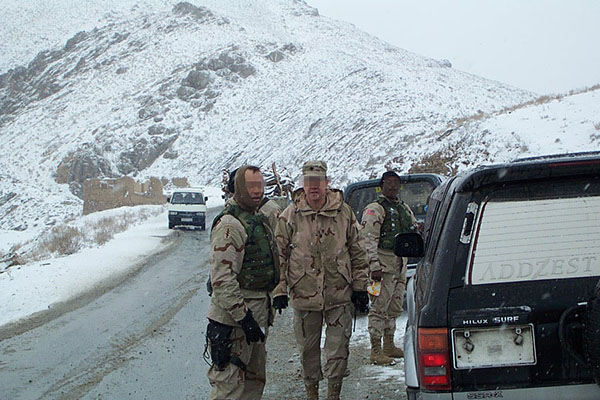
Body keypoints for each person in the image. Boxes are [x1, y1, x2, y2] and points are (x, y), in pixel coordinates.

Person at [272, 160, 369, 400]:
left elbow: (358, 250)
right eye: (308, 182)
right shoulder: (291, 215)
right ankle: (312, 394)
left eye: (318, 182)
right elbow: (279, 253)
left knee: (338, 351)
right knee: (308, 351)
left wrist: (360, 287)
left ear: (326, 183)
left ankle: (333, 394)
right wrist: (279, 289)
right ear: (303, 185)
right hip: (304, 295)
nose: (313, 187)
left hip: (339, 294)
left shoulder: (343, 212)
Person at [205, 165, 280, 400]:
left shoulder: (257, 218)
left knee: (253, 383)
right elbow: (222, 280)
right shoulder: (230, 225)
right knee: (229, 388)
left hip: (255, 316)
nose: (256, 191)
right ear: (239, 188)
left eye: (260, 185)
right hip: (233, 323)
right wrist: (243, 317)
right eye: (250, 186)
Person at [360, 171, 418, 365]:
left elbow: (413, 228)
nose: (393, 187)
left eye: (396, 183)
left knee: (394, 308)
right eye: (389, 183)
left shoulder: (403, 208)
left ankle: (389, 345)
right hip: (382, 266)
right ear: (382, 185)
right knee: (378, 308)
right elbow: (368, 240)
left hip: (400, 263)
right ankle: (376, 350)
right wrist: (374, 266)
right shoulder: (375, 210)